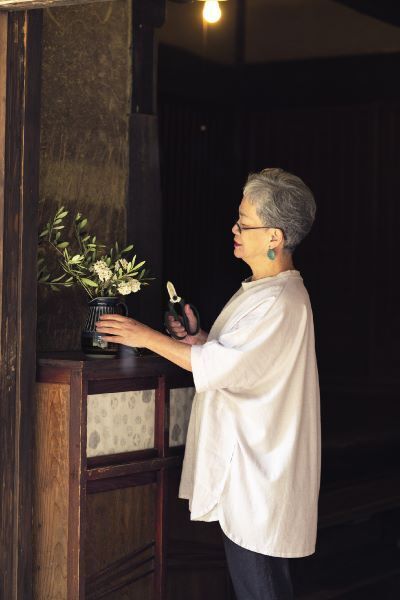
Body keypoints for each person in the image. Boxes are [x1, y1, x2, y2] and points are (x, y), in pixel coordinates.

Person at [96, 167, 321, 600]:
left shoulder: (278, 299)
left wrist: (144, 336)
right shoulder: (263, 289)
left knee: (262, 590)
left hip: (260, 475)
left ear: (274, 237)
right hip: (253, 470)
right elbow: (241, 360)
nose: (234, 229)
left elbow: (221, 367)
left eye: (244, 222)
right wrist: (198, 339)